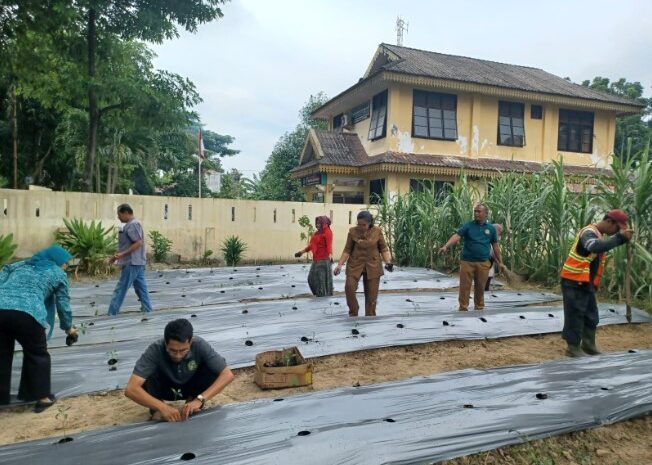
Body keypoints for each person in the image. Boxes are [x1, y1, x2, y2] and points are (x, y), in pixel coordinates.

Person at [0, 245, 78, 412]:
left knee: (1, 354)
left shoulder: (20, 265)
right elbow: (63, 305)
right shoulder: (58, 274)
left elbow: (3, 272)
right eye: (64, 263)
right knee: (37, 354)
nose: (65, 266)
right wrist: (69, 329)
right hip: (28, 313)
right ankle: (42, 398)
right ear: (56, 261)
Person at [125, 318, 234, 422]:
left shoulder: (199, 345)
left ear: (190, 342)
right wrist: (162, 407)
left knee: (213, 370)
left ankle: (192, 401)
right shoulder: (155, 349)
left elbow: (227, 374)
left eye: (183, 350)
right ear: (165, 343)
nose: (177, 356)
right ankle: (157, 408)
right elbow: (131, 389)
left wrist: (200, 399)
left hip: (190, 386)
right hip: (165, 388)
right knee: (144, 375)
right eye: (172, 350)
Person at [560, 209, 632, 357]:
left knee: (591, 314)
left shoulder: (598, 234)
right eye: (617, 228)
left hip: (585, 282)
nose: (616, 231)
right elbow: (594, 247)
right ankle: (573, 348)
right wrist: (619, 239)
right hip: (574, 280)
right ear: (609, 222)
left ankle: (588, 344)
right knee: (575, 314)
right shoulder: (588, 233)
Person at [439, 203, 503, 311]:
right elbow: (457, 236)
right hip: (467, 262)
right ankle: (463, 308)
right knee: (464, 287)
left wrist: (500, 262)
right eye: (475, 211)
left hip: (483, 263)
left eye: (479, 211)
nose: (476, 213)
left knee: (480, 287)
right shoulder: (468, 225)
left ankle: (479, 307)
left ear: (486, 214)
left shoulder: (491, 229)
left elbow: (495, 246)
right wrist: (446, 246)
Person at [334, 211, 394, 317]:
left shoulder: (377, 231)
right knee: (349, 287)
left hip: (373, 265)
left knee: (371, 296)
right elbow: (347, 250)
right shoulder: (352, 232)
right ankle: (353, 310)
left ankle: (370, 317)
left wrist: (388, 262)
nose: (361, 227)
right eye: (359, 224)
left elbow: (383, 249)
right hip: (355, 264)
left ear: (370, 223)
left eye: (364, 225)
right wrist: (339, 265)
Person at [107, 203, 153, 317]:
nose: (118, 217)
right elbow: (127, 245)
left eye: (119, 215)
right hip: (137, 263)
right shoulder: (130, 225)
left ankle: (111, 313)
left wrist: (122, 254)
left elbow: (138, 242)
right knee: (141, 289)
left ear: (126, 213)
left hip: (132, 263)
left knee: (121, 288)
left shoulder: (133, 225)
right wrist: (115, 257)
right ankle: (148, 310)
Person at [295, 216, 334, 297]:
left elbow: (329, 245)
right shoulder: (317, 233)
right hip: (316, 260)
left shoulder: (328, 232)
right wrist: (302, 252)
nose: (317, 225)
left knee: (321, 282)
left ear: (324, 223)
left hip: (323, 261)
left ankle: (322, 299)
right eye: (316, 223)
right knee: (311, 280)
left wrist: (330, 255)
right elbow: (311, 246)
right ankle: (320, 296)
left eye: (319, 223)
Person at [485, 223, 504, 291]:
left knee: (489, 273)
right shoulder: (490, 237)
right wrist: (500, 263)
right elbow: (493, 253)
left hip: (488, 260)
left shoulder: (490, 235)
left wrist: (499, 263)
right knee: (487, 274)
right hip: (485, 260)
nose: (500, 235)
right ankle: (485, 289)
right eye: (500, 232)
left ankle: (485, 289)